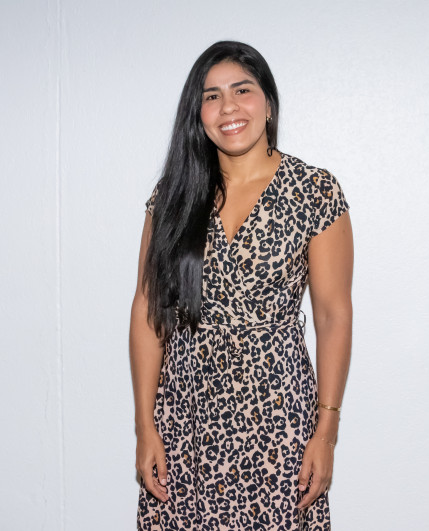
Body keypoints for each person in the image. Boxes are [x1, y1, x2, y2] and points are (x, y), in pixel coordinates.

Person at [130, 40, 353, 530]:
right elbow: (149, 310)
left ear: (268, 102)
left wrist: (326, 432)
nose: (228, 107)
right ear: (198, 115)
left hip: (278, 420)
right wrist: (145, 426)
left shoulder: (314, 191)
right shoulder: (173, 196)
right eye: (211, 96)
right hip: (186, 419)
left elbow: (333, 316)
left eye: (242, 90)